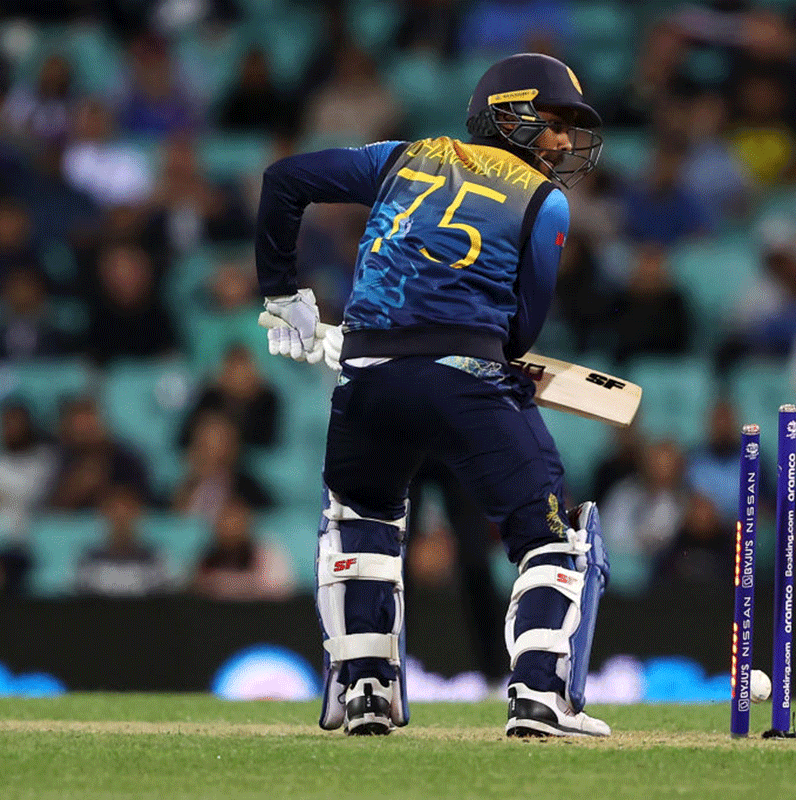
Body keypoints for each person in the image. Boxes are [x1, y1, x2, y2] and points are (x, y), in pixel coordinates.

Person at [254, 53, 609, 737]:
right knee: (553, 535)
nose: (565, 142)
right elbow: (521, 331)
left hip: (367, 379)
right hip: (465, 379)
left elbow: (284, 179)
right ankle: (540, 698)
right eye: (556, 123)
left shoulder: (405, 156)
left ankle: (363, 691)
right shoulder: (545, 200)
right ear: (510, 112)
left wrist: (282, 292)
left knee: (362, 519)